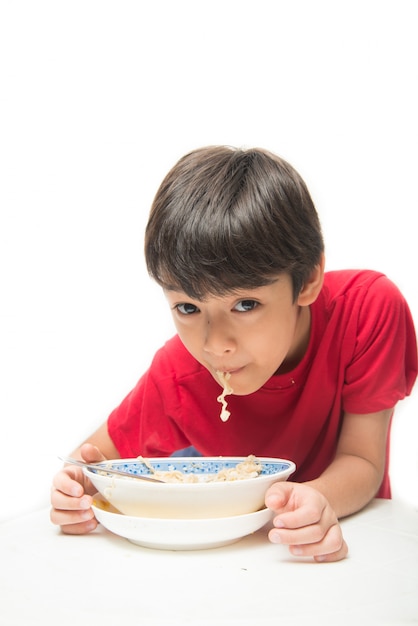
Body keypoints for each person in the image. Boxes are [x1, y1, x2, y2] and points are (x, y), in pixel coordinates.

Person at [50, 146, 417, 562]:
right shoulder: (179, 373)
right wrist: (77, 489)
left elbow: (362, 460)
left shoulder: (365, 310)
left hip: (355, 551)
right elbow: (94, 462)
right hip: (222, 566)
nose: (214, 345)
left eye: (245, 305)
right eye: (188, 308)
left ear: (308, 279)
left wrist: (314, 500)